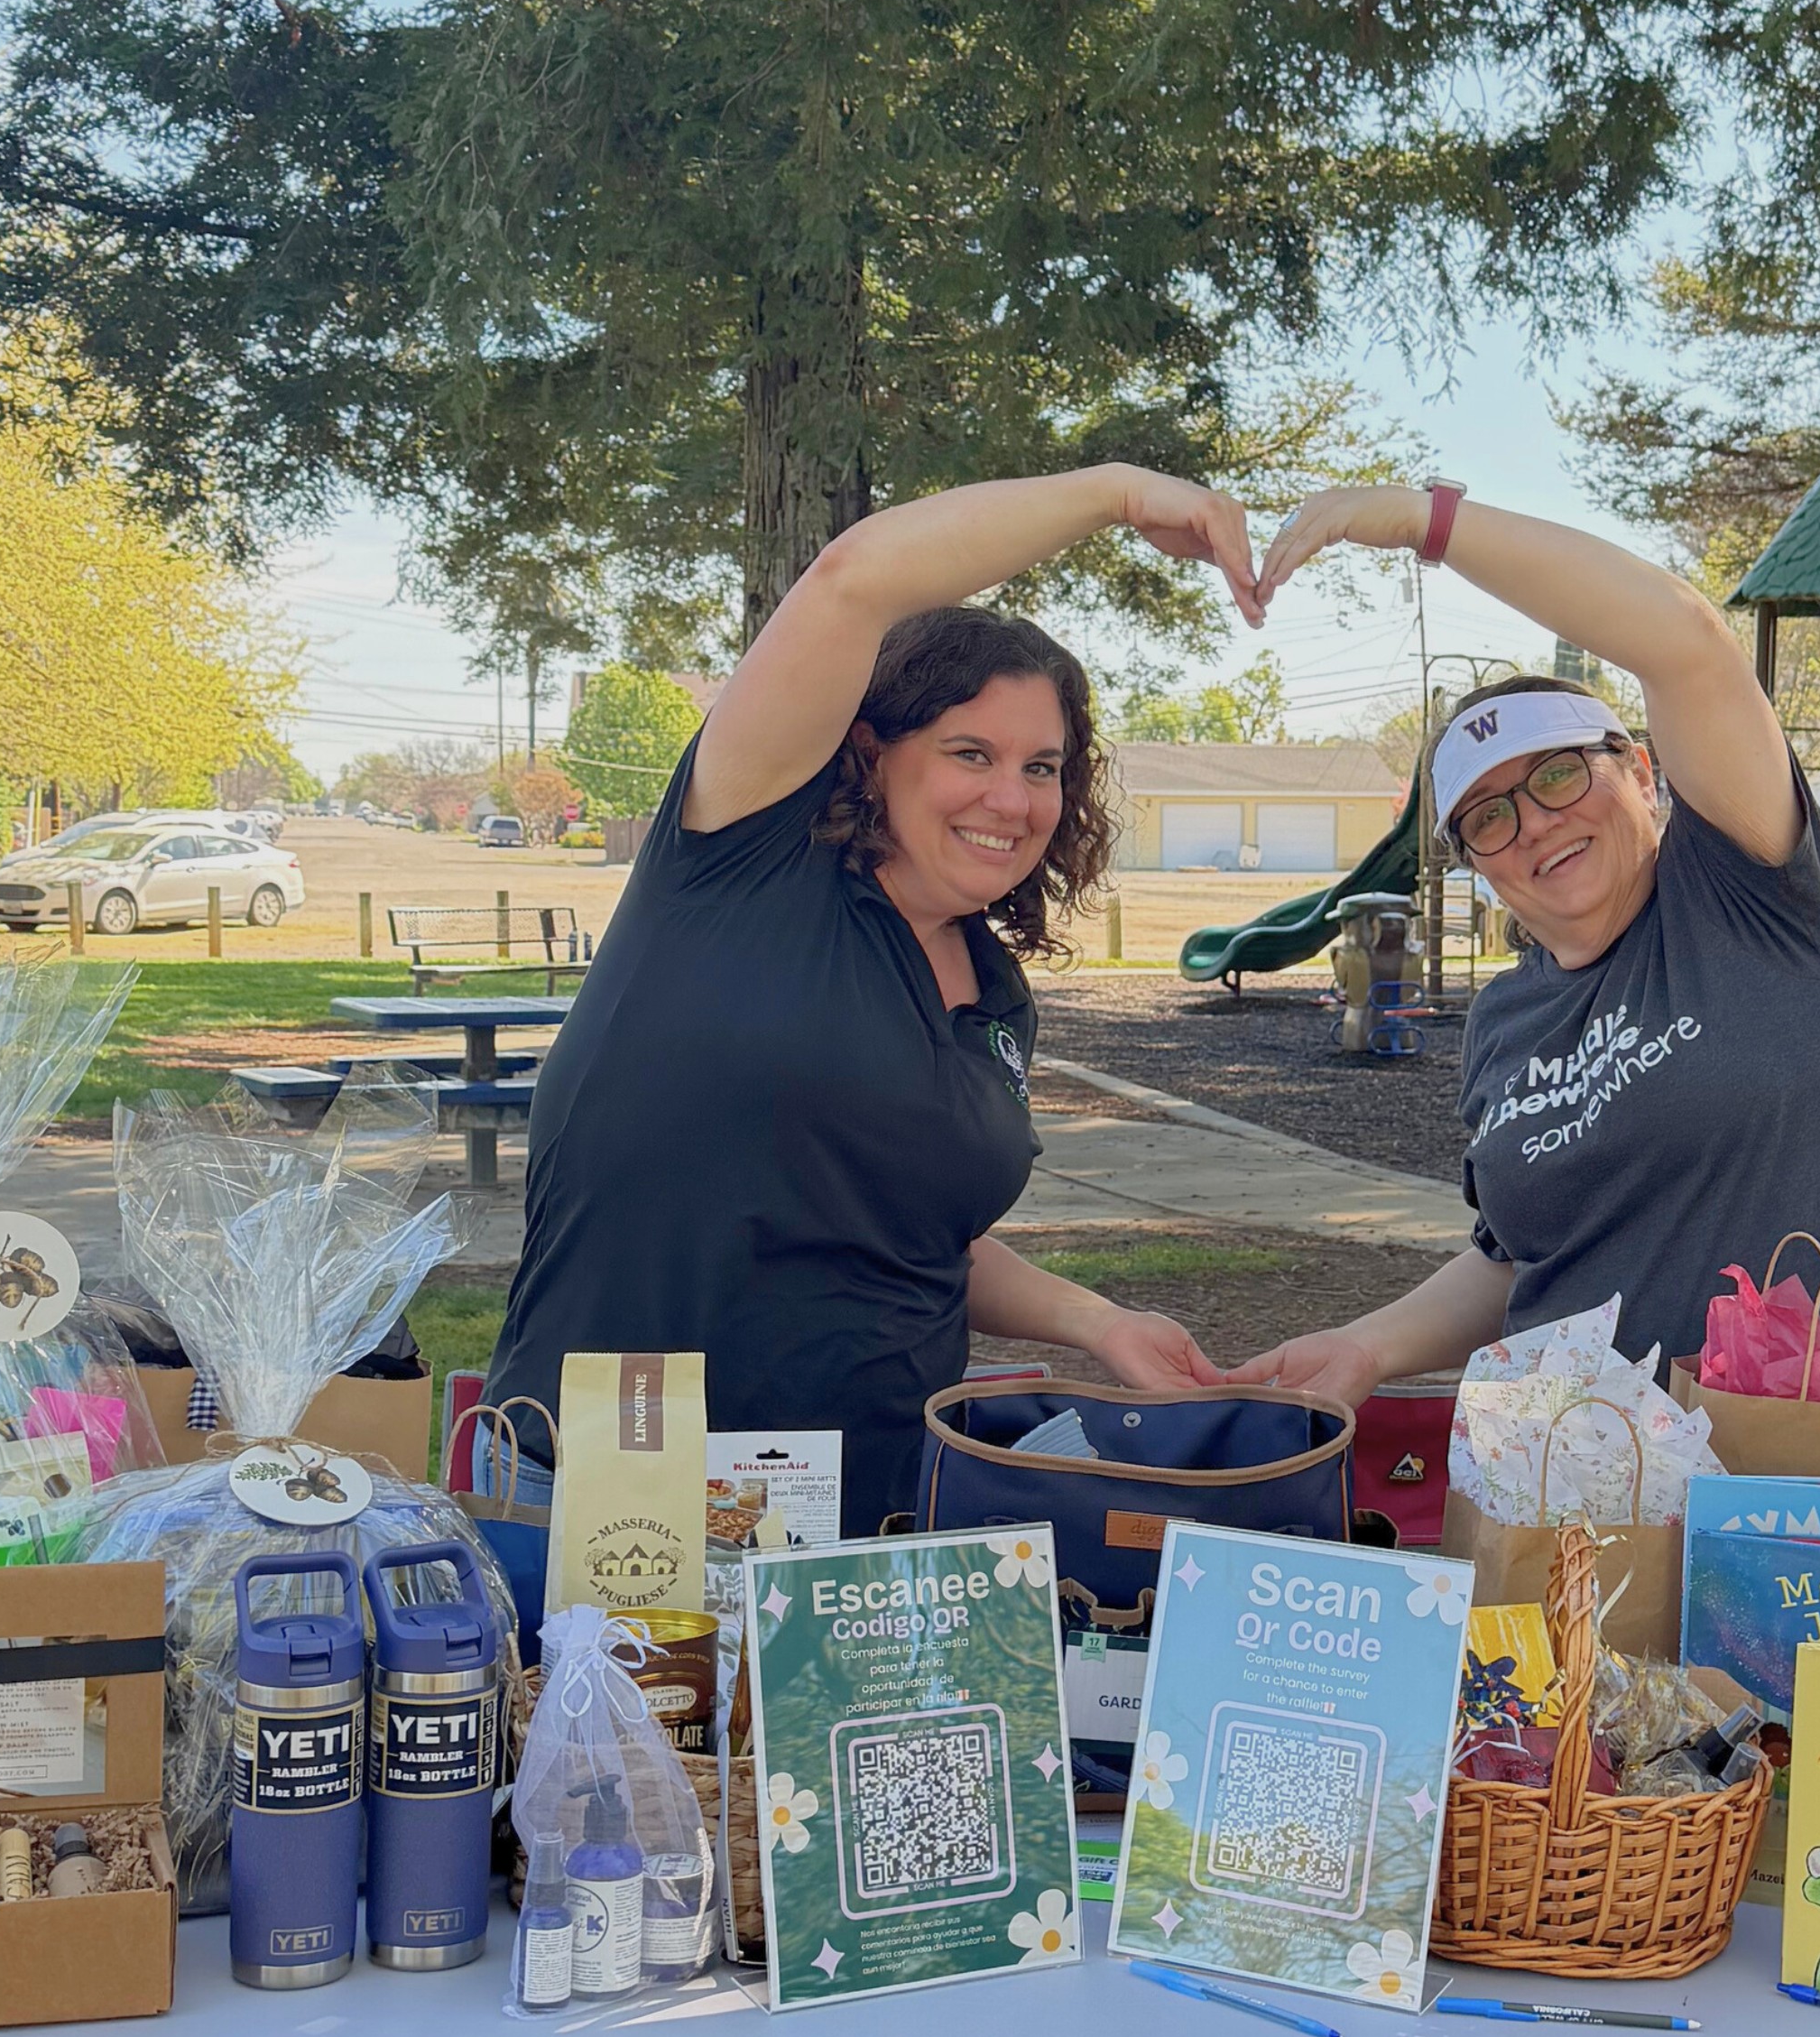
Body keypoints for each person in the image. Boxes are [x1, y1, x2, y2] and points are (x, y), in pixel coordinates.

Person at [478, 464, 1261, 1532]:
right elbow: (853, 582)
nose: (1011, 798)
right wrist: (1117, 496)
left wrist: (1100, 1321)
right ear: (871, 752)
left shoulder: (993, 997)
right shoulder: (742, 860)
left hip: (868, 1526)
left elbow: (910, 1236)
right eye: (970, 754)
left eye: (1043, 767)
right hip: (614, 1492)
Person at [1230, 479, 1820, 1413]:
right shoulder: (1503, 1020)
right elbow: (1520, 1259)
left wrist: (1426, 522)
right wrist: (1363, 1349)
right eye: (1488, 816)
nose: (1534, 823)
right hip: (1582, 1484)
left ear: (1643, 773)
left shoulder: (1749, 892)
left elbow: (1687, 644)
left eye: (1560, 774)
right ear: (1475, 865)